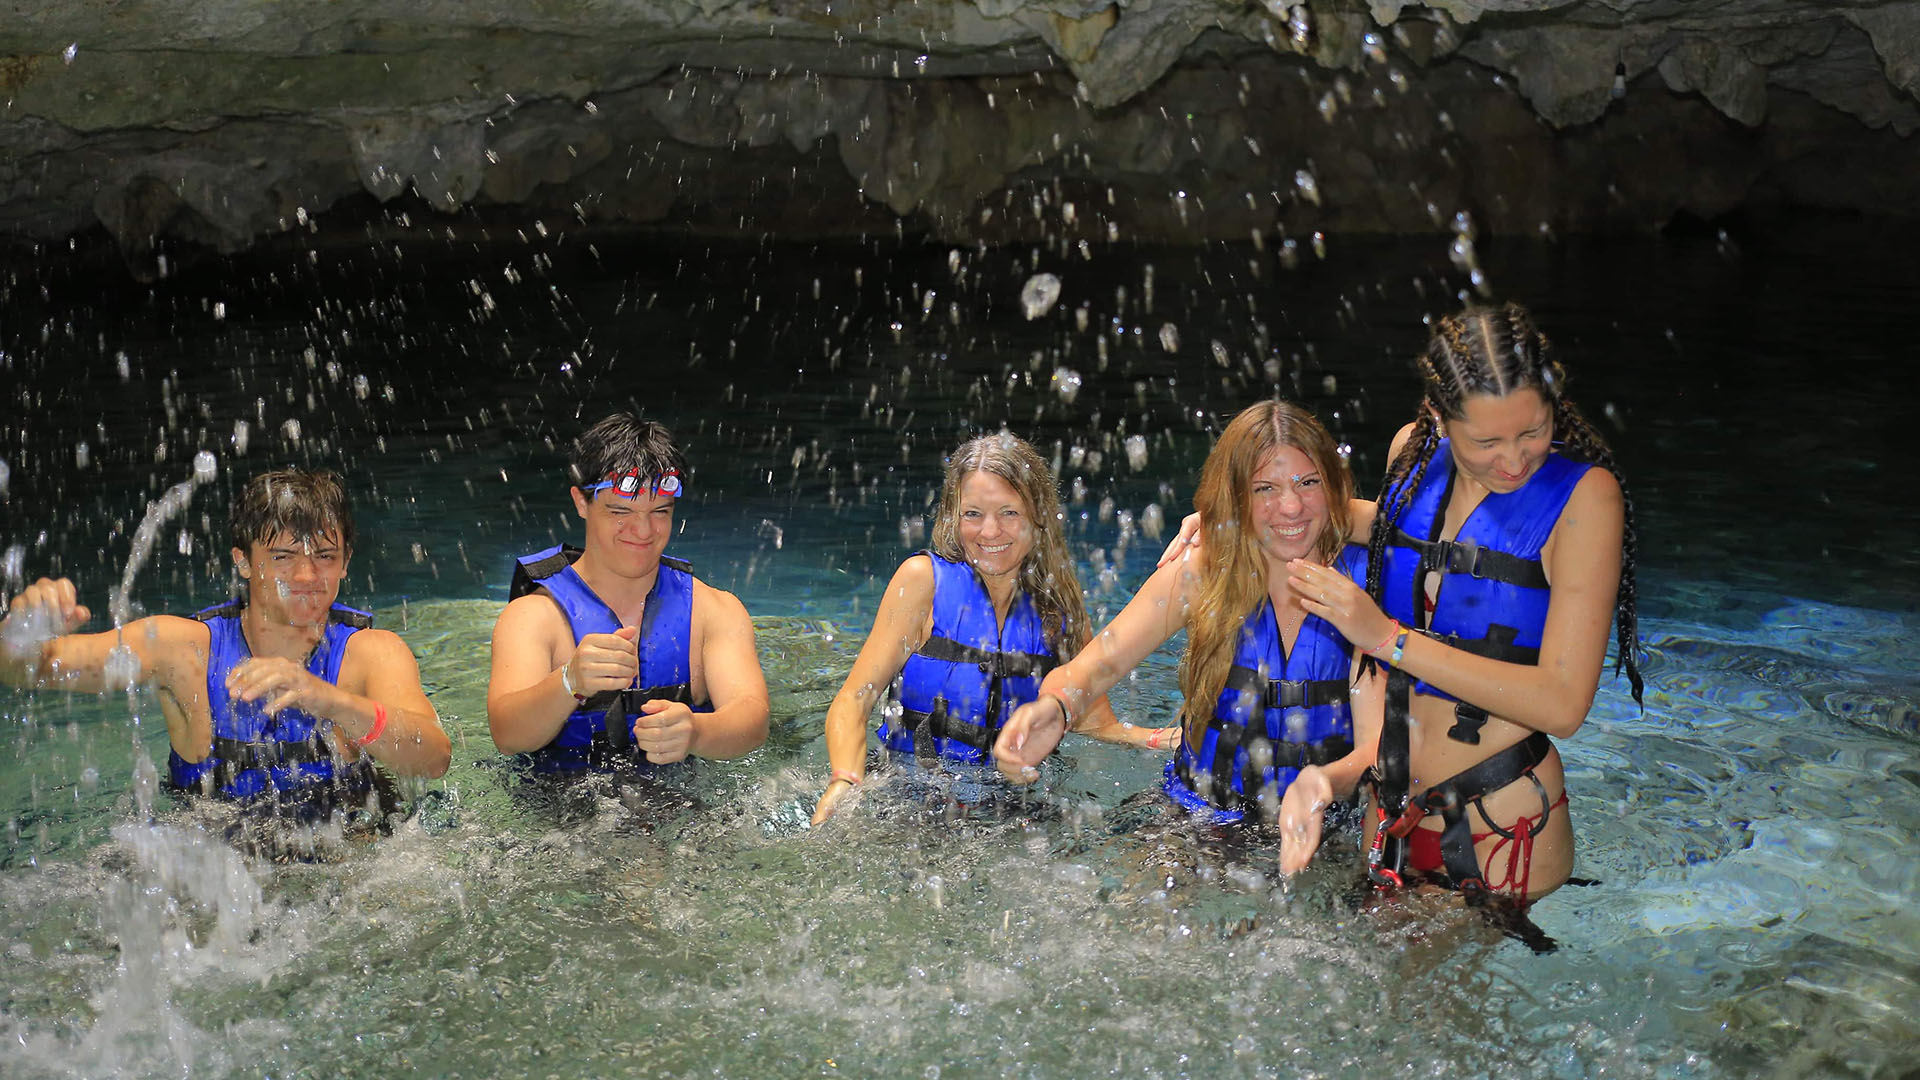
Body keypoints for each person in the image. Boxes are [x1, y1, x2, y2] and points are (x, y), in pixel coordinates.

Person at [1275, 302, 1641, 905]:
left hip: (1499, 823)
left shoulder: (1585, 500)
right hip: (1389, 808)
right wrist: (1231, 518)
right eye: (1486, 441)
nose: (1515, 460)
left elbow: (1564, 703)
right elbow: (1397, 536)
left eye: (1533, 430)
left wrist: (1386, 638)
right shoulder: (1413, 456)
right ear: (1439, 418)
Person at [994, 401, 1381, 829]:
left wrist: (1324, 787)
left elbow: (1380, 745)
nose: (1290, 507)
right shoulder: (1203, 572)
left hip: (1326, 823)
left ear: (1335, 484)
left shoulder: (1370, 584)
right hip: (1196, 810)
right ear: (1235, 495)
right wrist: (1055, 710)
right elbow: (1094, 667)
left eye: (1308, 482)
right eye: (1264, 489)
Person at [0, 468, 451, 805]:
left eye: (326, 556)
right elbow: (28, 670)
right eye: (282, 557)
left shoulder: (371, 653)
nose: (308, 575)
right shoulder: (181, 650)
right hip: (219, 877)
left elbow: (434, 760)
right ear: (242, 561)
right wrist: (20, 636)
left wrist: (328, 700)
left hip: (349, 868)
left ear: (347, 561)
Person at [811, 432, 1173, 825]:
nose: (989, 532)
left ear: (1037, 517)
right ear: (953, 515)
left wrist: (1161, 739)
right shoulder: (923, 583)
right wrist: (845, 781)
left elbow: (1096, 722)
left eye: (1008, 513)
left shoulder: (1058, 608)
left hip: (1016, 810)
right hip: (907, 797)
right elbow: (853, 701)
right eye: (973, 514)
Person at [487, 413, 769, 773]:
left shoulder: (713, 610)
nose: (643, 530)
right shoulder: (533, 618)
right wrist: (568, 682)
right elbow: (507, 735)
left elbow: (753, 719)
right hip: (560, 812)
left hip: (683, 809)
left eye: (660, 512)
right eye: (621, 511)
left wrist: (697, 732)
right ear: (581, 502)